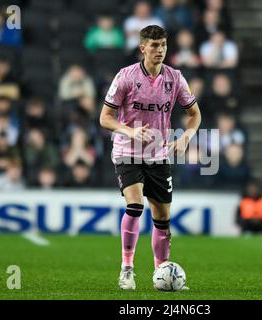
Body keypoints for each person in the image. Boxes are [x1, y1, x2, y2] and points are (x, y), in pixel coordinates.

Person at [99, 25, 201, 290]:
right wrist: (129, 131)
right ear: (142, 47)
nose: (160, 50)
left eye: (164, 45)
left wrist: (186, 138)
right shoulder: (125, 77)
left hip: (158, 155)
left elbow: (195, 114)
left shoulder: (175, 78)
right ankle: (127, 269)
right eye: (154, 46)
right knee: (135, 205)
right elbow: (105, 118)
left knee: (162, 218)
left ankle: (162, 271)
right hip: (127, 151)